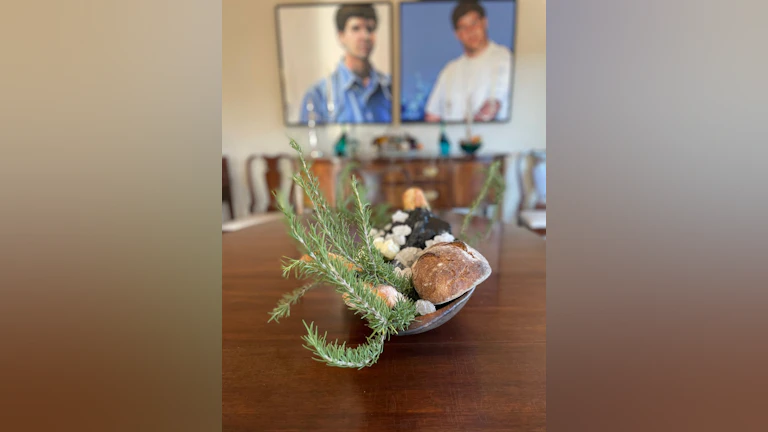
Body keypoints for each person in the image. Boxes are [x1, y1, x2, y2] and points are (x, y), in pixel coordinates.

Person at [299, 4, 392, 124]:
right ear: (341, 36)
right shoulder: (319, 95)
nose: (365, 36)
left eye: (370, 29)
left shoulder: (390, 89)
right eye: (356, 28)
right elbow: (305, 141)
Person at [424, 1, 513, 123]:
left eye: (474, 23)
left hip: (492, 139)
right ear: (457, 34)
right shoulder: (450, 70)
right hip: (451, 140)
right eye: (463, 27)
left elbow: (493, 107)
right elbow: (432, 115)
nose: (470, 31)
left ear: (485, 23)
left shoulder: (505, 58)